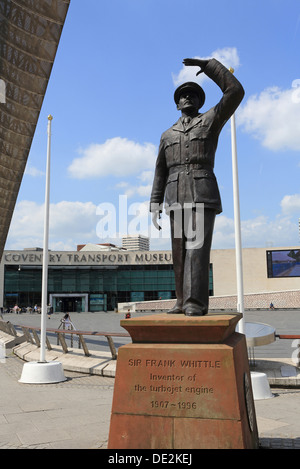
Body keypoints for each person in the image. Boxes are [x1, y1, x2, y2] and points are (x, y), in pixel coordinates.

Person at [150, 57, 244, 316]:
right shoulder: (167, 134)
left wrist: (211, 67)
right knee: (178, 252)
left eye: (193, 95)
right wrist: (155, 201)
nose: (188, 98)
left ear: (201, 101)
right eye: (183, 95)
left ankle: (195, 303)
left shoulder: (211, 120)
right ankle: (181, 301)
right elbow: (160, 169)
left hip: (203, 193)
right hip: (175, 193)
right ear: (177, 103)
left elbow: (235, 91)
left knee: (196, 249)